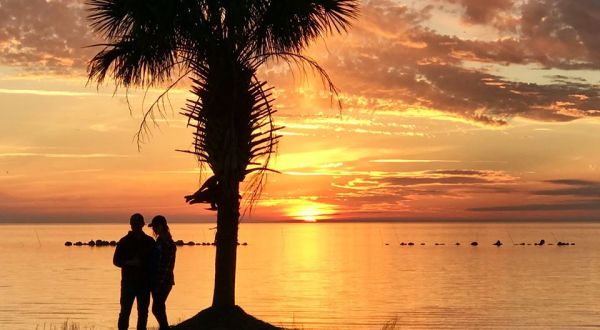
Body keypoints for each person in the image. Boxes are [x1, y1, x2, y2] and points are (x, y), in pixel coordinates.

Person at [113, 213, 156, 330]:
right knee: (125, 312)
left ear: (142, 224)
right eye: (133, 224)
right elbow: (116, 261)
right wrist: (130, 262)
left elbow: (155, 263)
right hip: (128, 284)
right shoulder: (124, 241)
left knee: (143, 313)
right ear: (131, 225)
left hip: (144, 284)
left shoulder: (150, 242)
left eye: (137, 224)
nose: (135, 226)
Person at [148, 215, 177, 330]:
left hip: (164, 281)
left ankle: (164, 327)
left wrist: (158, 283)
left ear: (162, 226)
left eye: (155, 226)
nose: (154, 229)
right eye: (153, 227)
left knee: (156, 307)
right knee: (159, 306)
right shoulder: (159, 241)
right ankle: (164, 327)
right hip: (158, 280)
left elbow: (166, 266)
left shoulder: (168, 243)